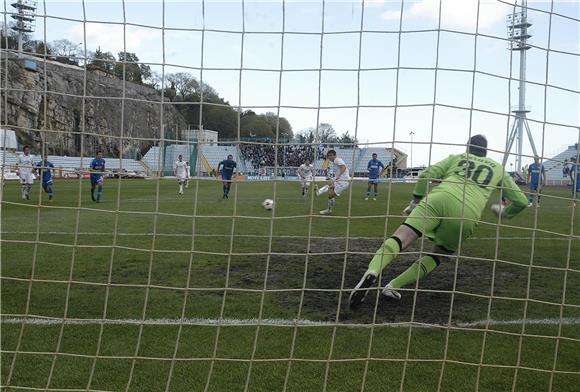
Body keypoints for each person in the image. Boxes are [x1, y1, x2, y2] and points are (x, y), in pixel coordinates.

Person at [348, 135, 528, 309]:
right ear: (486, 152)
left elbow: (426, 174)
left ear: (468, 148)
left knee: (401, 238)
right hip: (467, 214)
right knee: (439, 254)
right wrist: (504, 213)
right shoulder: (498, 168)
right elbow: (521, 201)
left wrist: (415, 202)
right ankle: (393, 286)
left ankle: (373, 271)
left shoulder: (458, 157)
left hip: (439, 199)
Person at [316, 150, 350, 215]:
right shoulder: (334, 162)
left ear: (335, 155)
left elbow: (344, 167)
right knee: (329, 185)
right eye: (328, 155)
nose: (330, 157)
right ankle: (319, 192)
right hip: (340, 180)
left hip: (343, 182)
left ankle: (329, 210)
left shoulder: (337, 160)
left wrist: (338, 176)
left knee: (330, 196)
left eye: (331, 155)